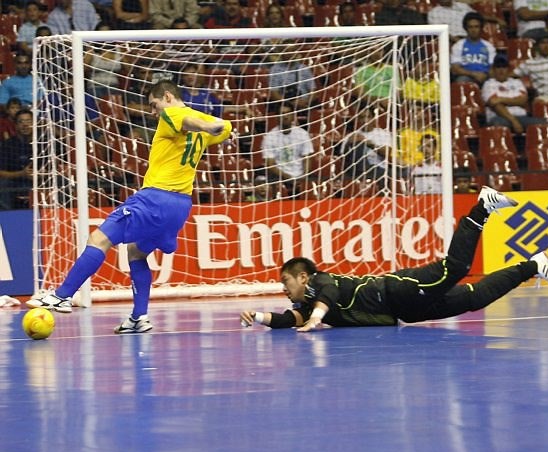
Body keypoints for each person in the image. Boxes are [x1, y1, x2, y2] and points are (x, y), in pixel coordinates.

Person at [28, 80, 232, 333]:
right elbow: (224, 127)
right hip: (181, 206)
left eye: (154, 105)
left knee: (99, 239)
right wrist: (212, 125)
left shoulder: (172, 114)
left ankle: (62, 296)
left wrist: (206, 125)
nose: (154, 112)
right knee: (136, 252)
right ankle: (139, 317)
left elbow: (189, 120)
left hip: (155, 199)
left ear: (168, 97)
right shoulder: (198, 123)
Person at [239, 186, 548, 332]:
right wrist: (259, 317)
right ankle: (533, 265)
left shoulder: (322, 282)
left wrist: (315, 320)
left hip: (395, 290)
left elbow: (328, 295)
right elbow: (289, 320)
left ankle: (482, 207)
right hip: (407, 310)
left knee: (456, 268)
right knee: (475, 298)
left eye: (286, 281)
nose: (284, 288)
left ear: (303, 277)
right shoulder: (307, 307)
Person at [482, 55, 547, 134]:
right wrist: (514, 121)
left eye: (504, 67)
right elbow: (495, 104)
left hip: (522, 117)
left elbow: (523, 100)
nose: (501, 70)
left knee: (544, 123)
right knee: (498, 124)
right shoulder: (488, 84)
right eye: (498, 67)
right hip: (500, 117)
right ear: (494, 69)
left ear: (508, 69)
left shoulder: (517, 82)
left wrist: (501, 99)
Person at [261, 104, 313, 195]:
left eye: (288, 113)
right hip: (279, 178)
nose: (285, 116)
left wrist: (303, 177)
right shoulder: (270, 137)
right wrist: (287, 177)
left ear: (293, 116)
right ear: (277, 117)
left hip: (301, 176)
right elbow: (270, 165)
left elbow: (307, 158)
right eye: (282, 113)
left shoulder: (302, 134)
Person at [450, 12, 496, 86]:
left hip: (485, 76)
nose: (473, 30)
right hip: (466, 76)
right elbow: (455, 69)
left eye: (476, 27)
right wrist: (474, 74)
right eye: (470, 27)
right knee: (461, 81)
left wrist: (485, 75)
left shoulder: (489, 46)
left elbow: (492, 68)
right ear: (466, 28)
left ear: (481, 28)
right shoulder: (458, 45)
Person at [0, 109, 33, 209]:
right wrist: (22, 173)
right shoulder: (8, 145)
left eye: (28, 121)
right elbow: (1, 172)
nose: (25, 125)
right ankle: (7, 215)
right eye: (21, 122)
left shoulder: (43, 142)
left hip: (38, 181)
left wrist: (40, 174)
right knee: (3, 184)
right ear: (15, 125)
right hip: (15, 182)